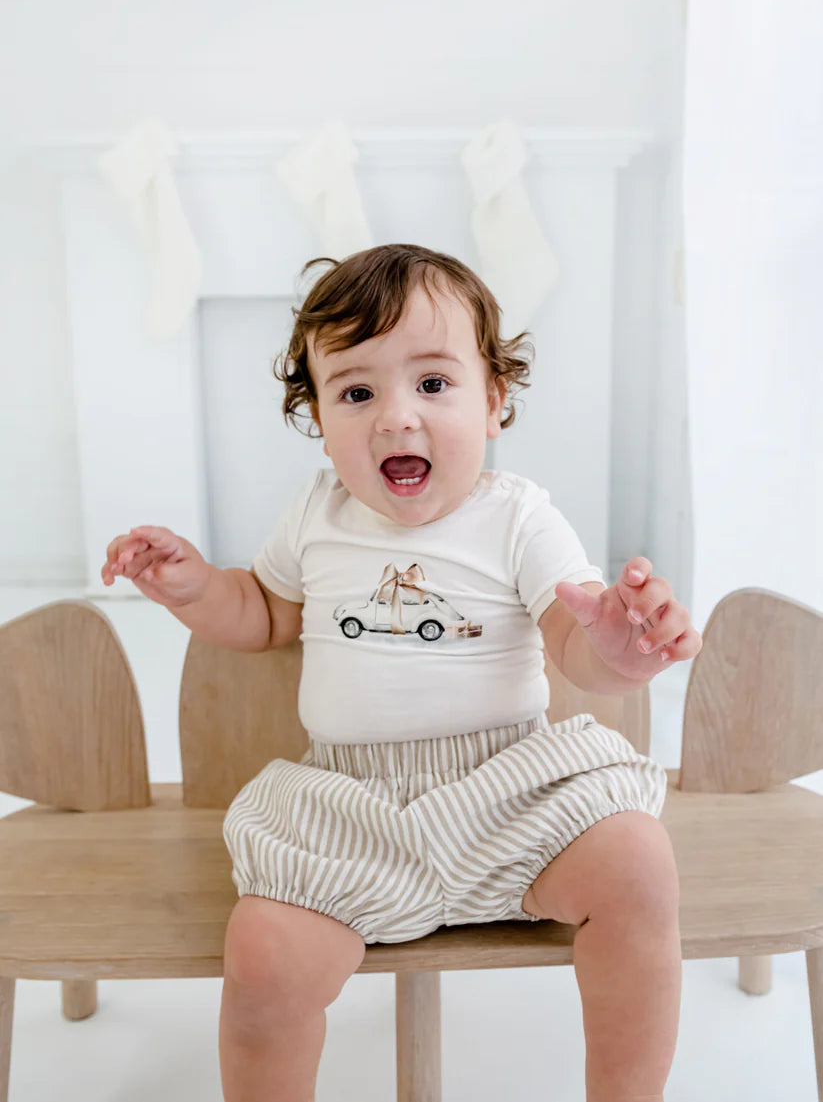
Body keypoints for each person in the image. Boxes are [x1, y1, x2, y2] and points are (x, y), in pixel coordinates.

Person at [101, 243, 702, 1102]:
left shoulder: (517, 516)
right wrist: (196, 587)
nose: (395, 417)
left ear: (492, 401)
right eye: (356, 393)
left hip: (511, 789)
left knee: (637, 863)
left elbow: (574, 640)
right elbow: (264, 613)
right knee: (264, 954)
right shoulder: (316, 513)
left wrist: (618, 647)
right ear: (318, 418)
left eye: (431, 382)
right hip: (352, 807)